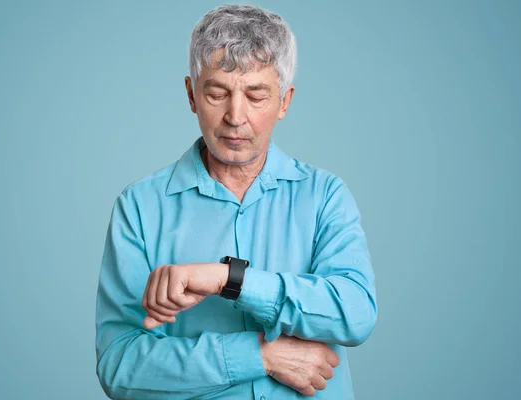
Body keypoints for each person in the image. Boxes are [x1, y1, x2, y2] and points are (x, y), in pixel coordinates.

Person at [95, 4, 377, 399]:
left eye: (257, 95)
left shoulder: (325, 196)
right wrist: (260, 356)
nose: (235, 116)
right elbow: (120, 365)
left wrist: (228, 279)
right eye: (217, 93)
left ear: (285, 101)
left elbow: (356, 315)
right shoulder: (139, 208)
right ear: (192, 95)